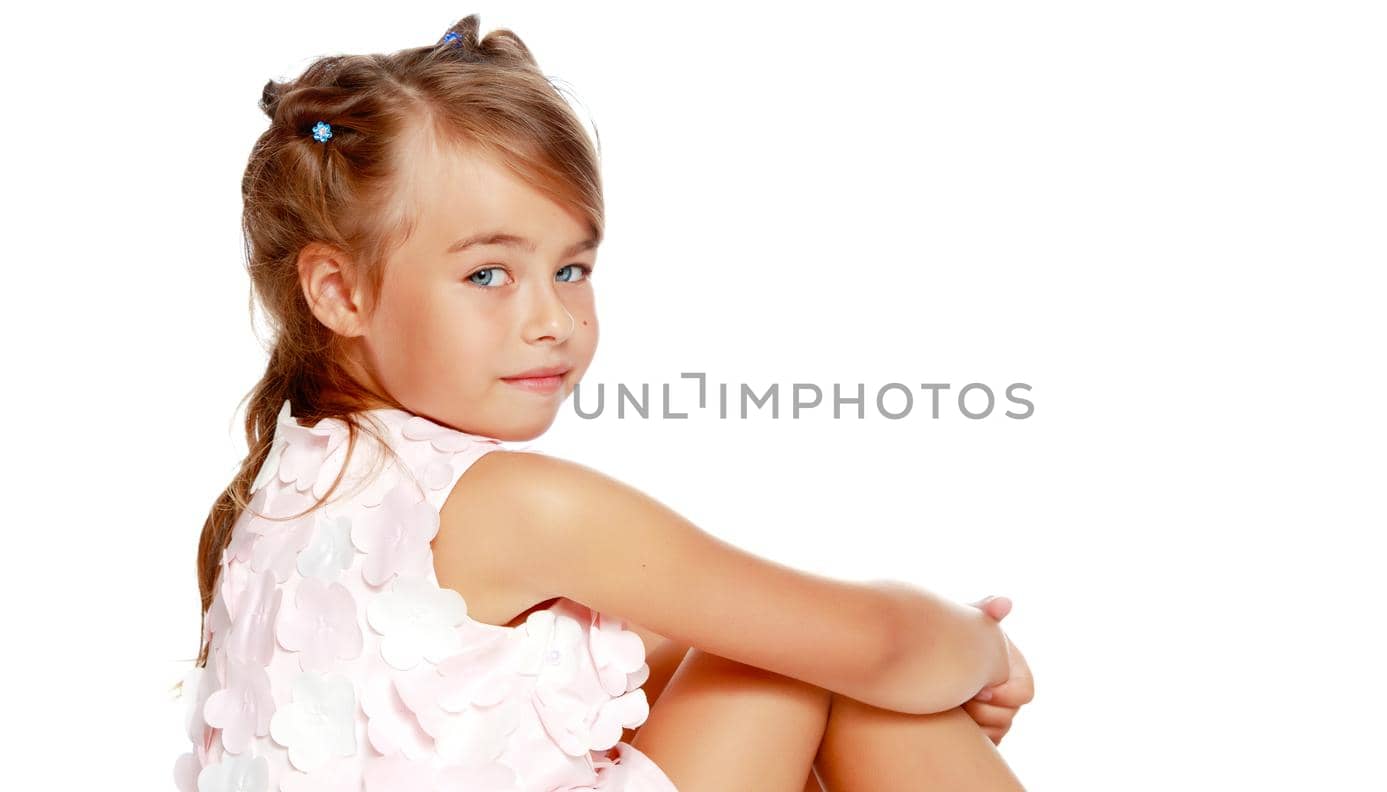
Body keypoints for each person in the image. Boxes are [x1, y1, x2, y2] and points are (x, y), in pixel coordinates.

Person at [174, 14, 1035, 792]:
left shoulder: (296, 485)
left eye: (572, 269)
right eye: (487, 274)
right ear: (340, 291)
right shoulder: (516, 508)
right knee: (801, 659)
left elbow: (556, 682)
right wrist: (979, 648)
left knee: (796, 656)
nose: (552, 320)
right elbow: (878, 645)